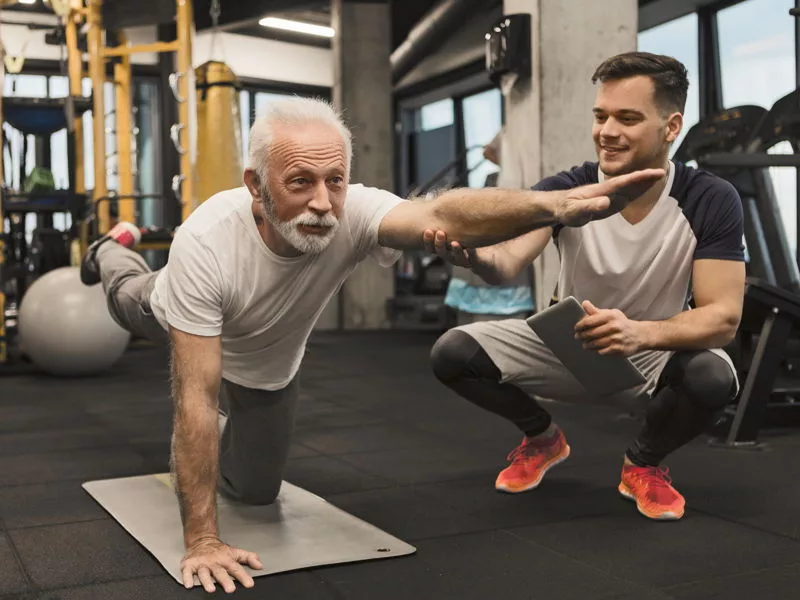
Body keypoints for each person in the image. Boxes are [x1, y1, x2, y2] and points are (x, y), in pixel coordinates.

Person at [79, 96, 663, 593]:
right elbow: (196, 401)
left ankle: (227, 450)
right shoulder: (207, 242)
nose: (322, 203)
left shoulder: (355, 212)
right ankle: (111, 248)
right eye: (300, 182)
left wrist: (553, 206)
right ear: (255, 186)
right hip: (170, 306)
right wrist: (202, 539)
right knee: (127, 296)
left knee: (256, 494)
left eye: (334, 181)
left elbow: (443, 212)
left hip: (266, 364)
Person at [427, 51, 745, 523]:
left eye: (628, 118)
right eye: (601, 116)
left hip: (651, 352)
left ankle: (643, 463)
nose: (607, 132)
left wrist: (640, 333)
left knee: (713, 378)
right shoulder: (567, 189)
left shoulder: (709, 199)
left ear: (671, 126)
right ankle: (542, 438)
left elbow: (723, 318)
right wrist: (476, 258)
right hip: (566, 346)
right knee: (452, 353)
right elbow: (508, 264)